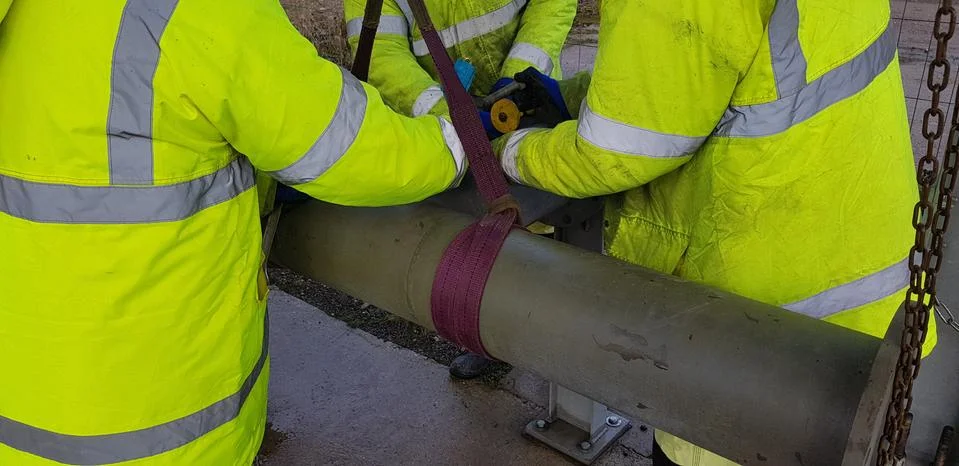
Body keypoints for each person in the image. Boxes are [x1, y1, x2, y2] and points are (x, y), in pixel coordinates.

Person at [0, 0, 466, 464]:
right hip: (160, 437)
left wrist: (260, 182)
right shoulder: (200, 11)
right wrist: (452, 149)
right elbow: (348, 149)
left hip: (24, 417)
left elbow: (131, 147)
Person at [492, 0, 937, 464]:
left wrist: (514, 152)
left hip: (758, 343)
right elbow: (706, 75)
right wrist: (577, 94)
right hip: (871, 304)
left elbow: (613, 154)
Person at [343, 0, 578, 380]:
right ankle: (491, 336)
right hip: (448, 126)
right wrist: (447, 112)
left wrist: (518, 79)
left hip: (526, 104)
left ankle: (569, 341)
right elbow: (383, 54)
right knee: (480, 232)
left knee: (552, 220)